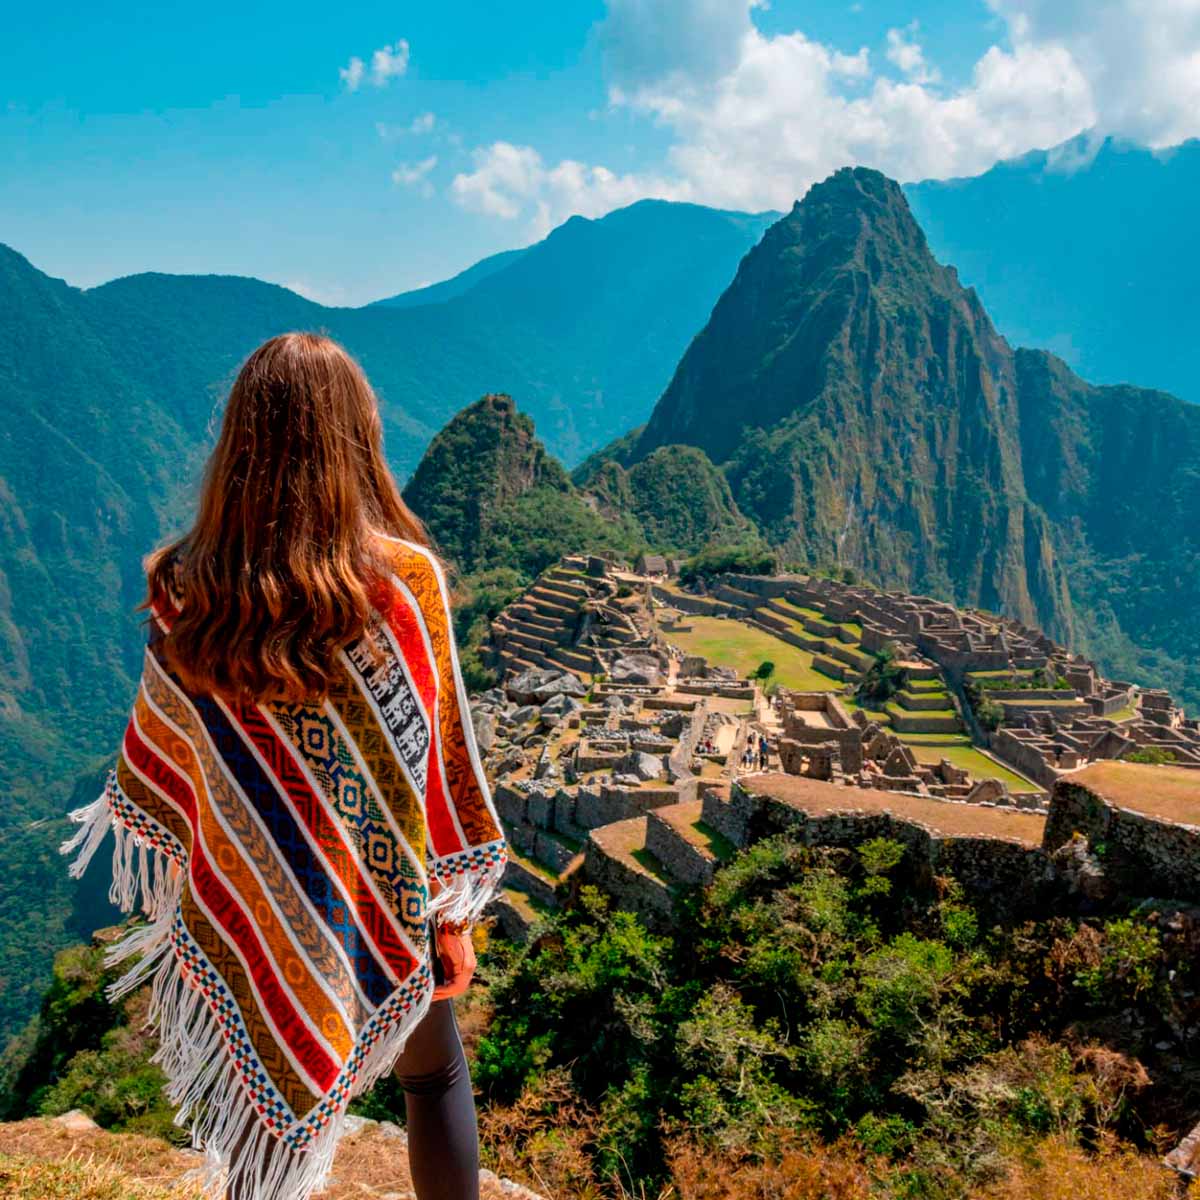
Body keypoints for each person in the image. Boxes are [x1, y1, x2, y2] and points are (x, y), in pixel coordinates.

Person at [62, 334, 507, 1200]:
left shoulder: (184, 586)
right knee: (435, 1076)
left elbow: (177, 762)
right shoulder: (403, 584)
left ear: (240, 442)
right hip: (379, 891)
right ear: (355, 438)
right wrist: (446, 918)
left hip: (249, 887)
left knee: (256, 1098)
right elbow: (434, 776)